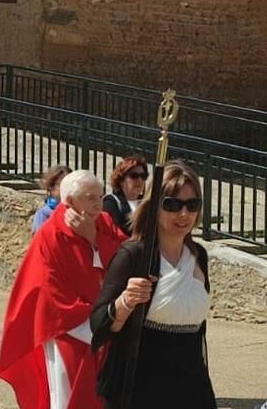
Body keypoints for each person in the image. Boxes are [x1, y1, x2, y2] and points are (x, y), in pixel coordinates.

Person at [90, 162, 216, 409]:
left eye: (192, 205)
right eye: (172, 204)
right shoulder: (134, 255)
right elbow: (99, 323)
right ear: (154, 206)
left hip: (192, 383)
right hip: (142, 383)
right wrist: (126, 301)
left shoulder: (198, 255)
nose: (183, 214)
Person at [0, 170, 127, 409]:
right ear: (69, 201)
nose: (99, 203)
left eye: (100, 196)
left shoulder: (104, 223)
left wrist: (94, 240)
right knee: (71, 398)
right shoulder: (50, 235)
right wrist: (97, 322)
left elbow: (126, 259)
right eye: (90, 198)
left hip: (110, 325)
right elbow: (48, 291)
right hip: (72, 330)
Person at [103, 155, 148, 236]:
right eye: (134, 176)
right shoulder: (110, 203)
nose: (140, 180)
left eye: (143, 176)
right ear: (121, 180)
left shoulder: (147, 203)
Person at [33, 165, 72, 233]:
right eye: (62, 184)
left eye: (70, 184)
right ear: (51, 187)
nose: (67, 188)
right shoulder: (43, 214)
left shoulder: (80, 211)